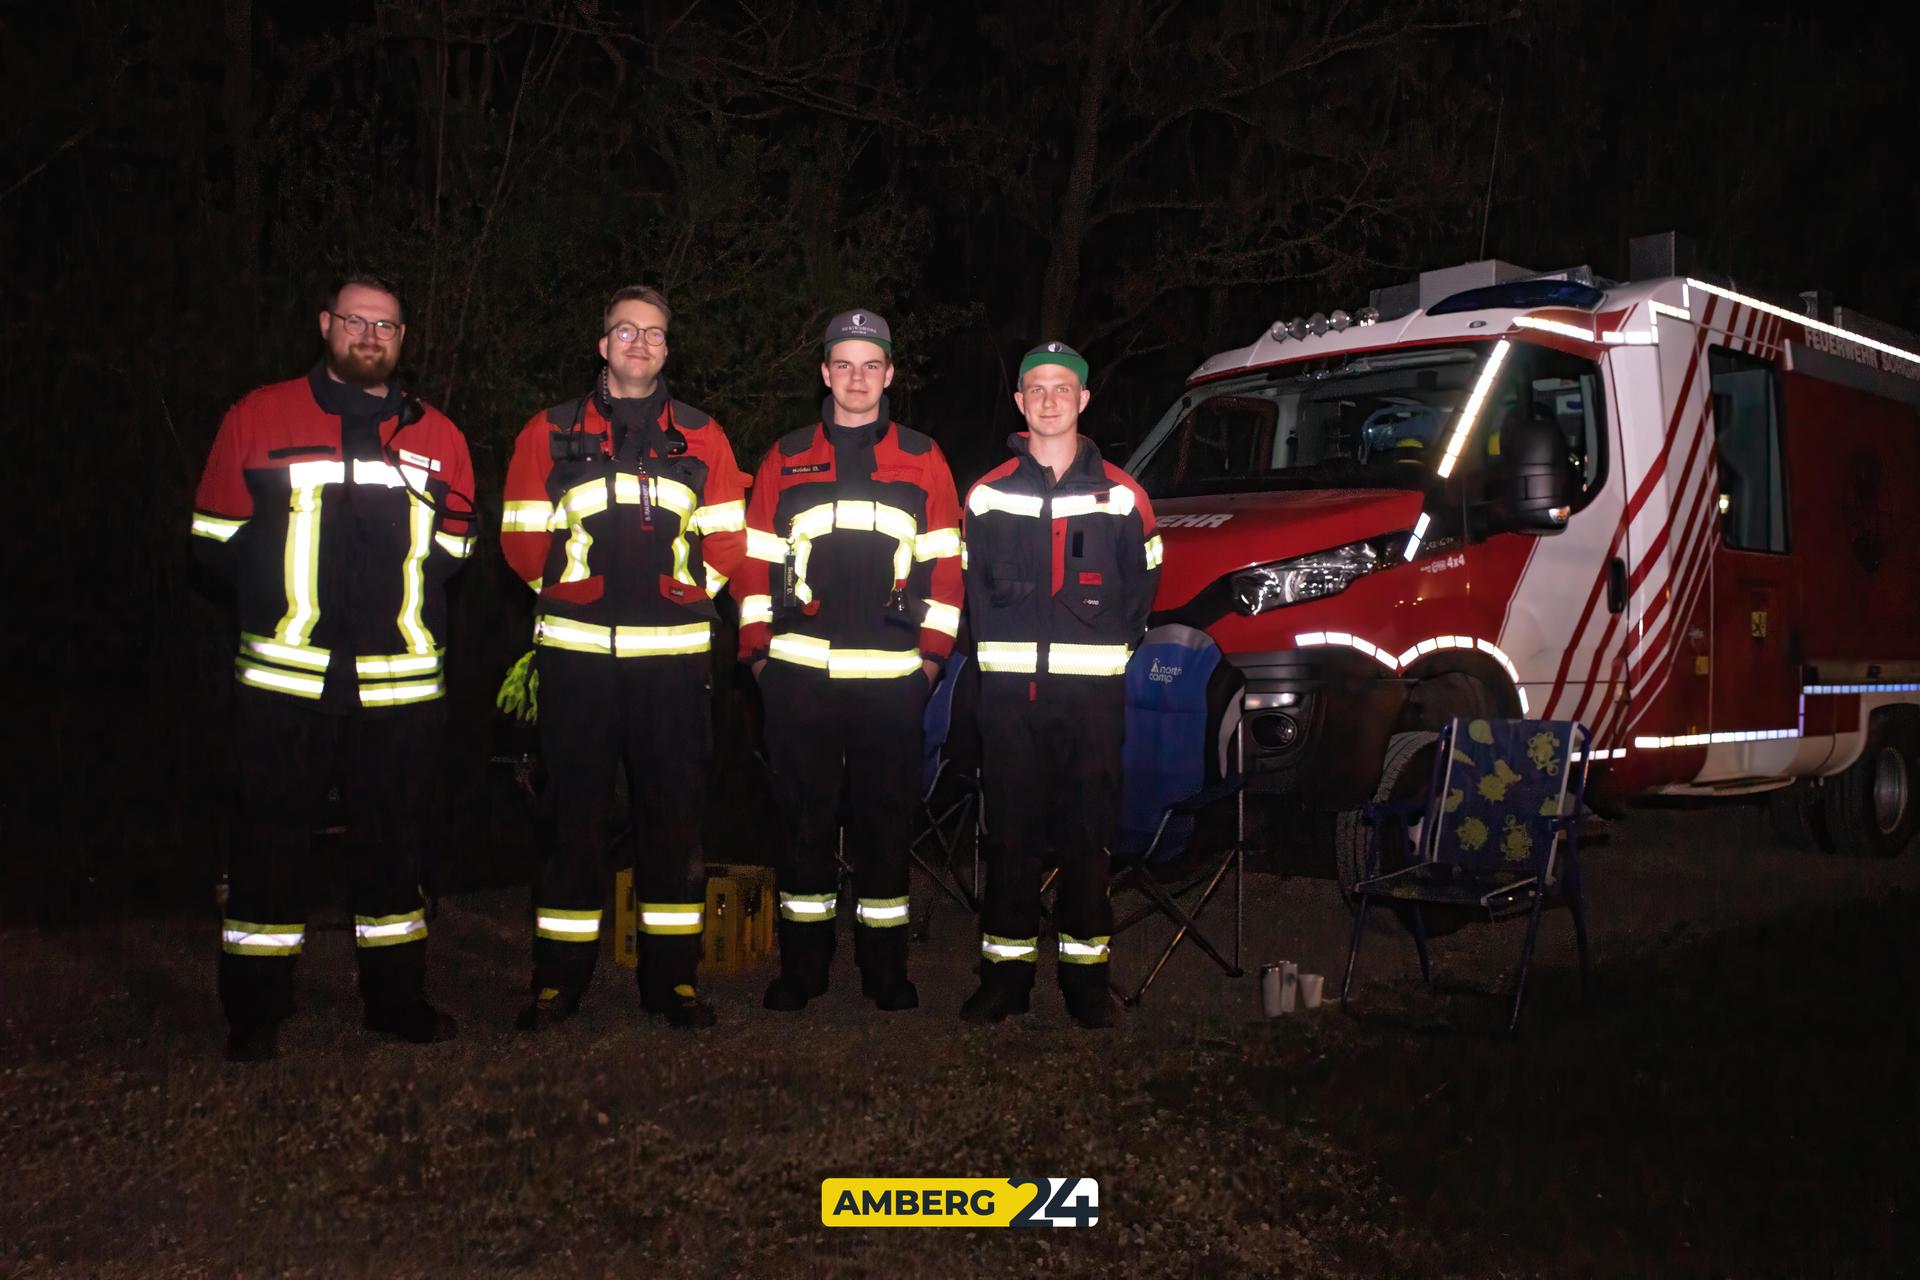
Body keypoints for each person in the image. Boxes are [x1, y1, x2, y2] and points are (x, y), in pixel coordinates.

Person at [190, 274, 476, 1061]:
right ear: (325, 325)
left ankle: (395, 1003)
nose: (371, 336)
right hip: (286, 686)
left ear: (403, 338)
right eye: (356, 321)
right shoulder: (259, 416)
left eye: (386, 325)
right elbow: (212, 543)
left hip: (403, 690)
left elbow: (455, 552)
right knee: (267, 850)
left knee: (396, 852)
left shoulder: (438, 437)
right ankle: (254, 1013)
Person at [500, 285, 748, 1031]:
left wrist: (678, 592)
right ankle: (558, 983)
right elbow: (518, 537)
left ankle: (672, 983)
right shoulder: (548, 432)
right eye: (626, 332)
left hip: (673, 667)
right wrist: (581, 591)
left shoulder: (703, 436)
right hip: (576, 664)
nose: (640, 344)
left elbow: (730, 542)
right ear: (602, 344)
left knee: (671, 825)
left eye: (655, 335)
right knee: (571, 823)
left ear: (668, 350)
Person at [732, 310, 964, 1013]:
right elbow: (752, 565)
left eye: (872, 365)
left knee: (885, 830)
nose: (857, 378)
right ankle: (803, 970)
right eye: (844, 365)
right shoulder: (786, 456)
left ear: (889, 374)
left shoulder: (924, 458)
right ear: (825, 373)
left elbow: (946, 569)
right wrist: (760, 660)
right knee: (802, 829)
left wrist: (929, 666)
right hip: (799, 682)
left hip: (893, 684)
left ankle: (884, 970)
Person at [958, 341, 1162, 1028]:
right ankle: (1005, 983)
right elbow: (969, 593)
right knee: (1009, 841)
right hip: (1010, 704)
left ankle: (1085, 984)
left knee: (1087, 842)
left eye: (1062, 388)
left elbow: (1143, 590)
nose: (1049, 400)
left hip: (1092, 704)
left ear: (1083, 400)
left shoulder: (1123, 494)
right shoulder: (985, 496)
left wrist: (1102, 653)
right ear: (1019, 403)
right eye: (1035, 389)